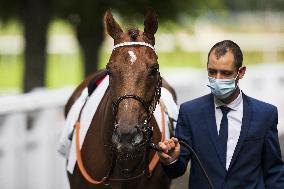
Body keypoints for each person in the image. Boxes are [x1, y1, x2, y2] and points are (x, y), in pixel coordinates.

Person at [158, 40, 284, 189]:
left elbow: (274, 172)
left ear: (241, 72)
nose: (217, 79)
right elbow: (176, 170)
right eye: (212, 71)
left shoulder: (265, 114)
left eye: (226, 73)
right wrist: (171, 159)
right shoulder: (189, 112)